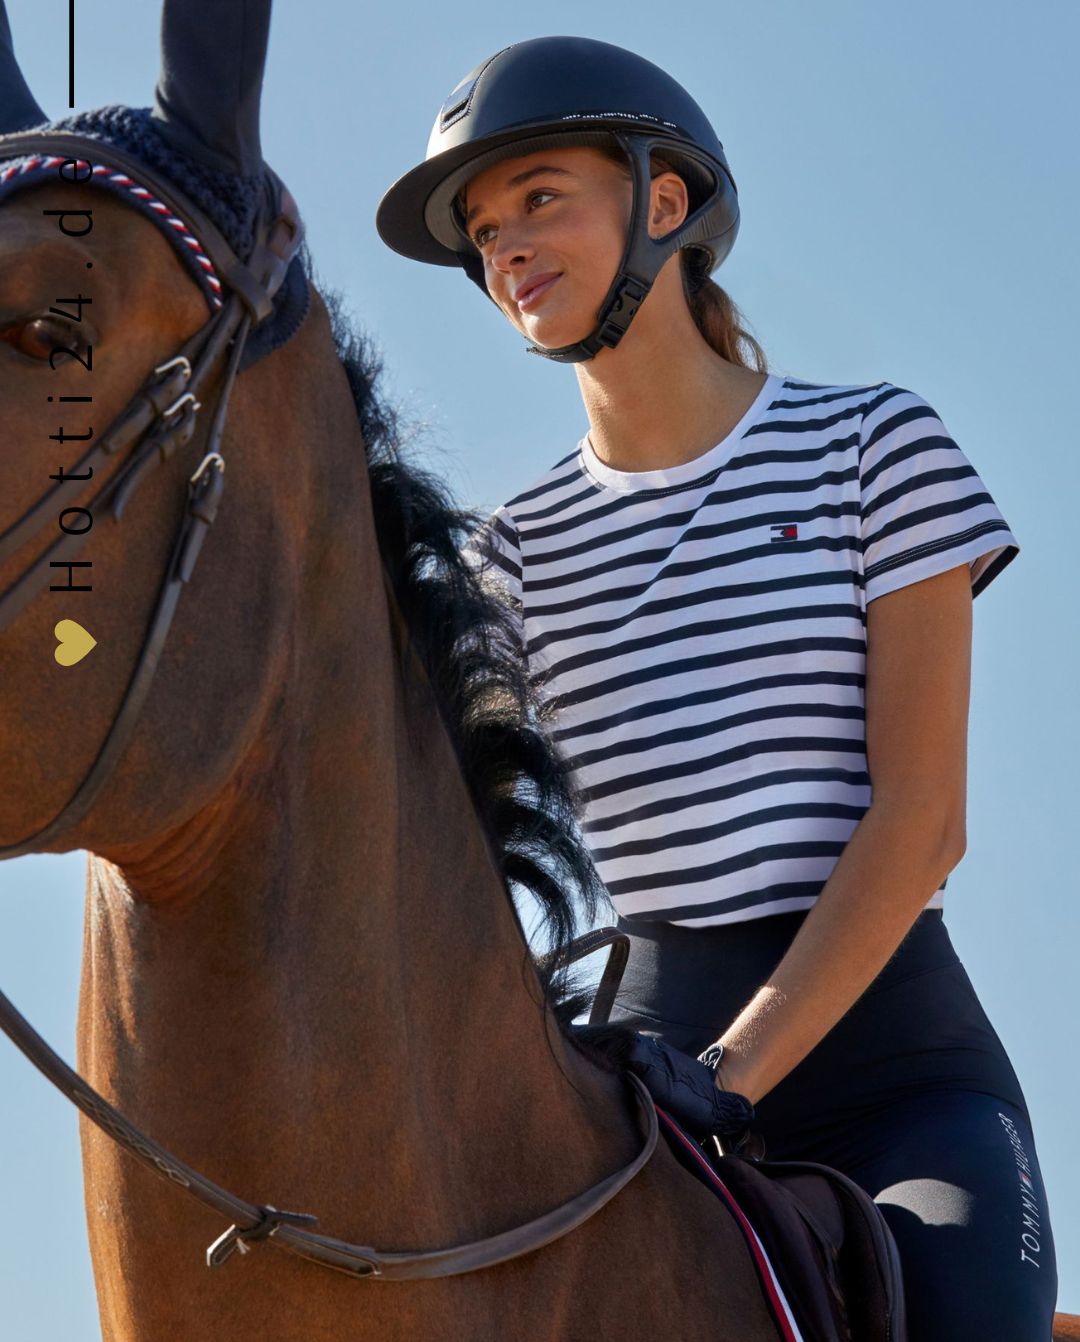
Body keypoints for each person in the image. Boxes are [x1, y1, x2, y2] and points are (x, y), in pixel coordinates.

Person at [377, 36, 1058, 1338]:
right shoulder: (505, 560)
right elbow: (435, 847)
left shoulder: (877, 446)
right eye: (480, 228)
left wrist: (731, 1075)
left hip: (899, 1077)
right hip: (642, 1085)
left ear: (664, 202)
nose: (504, 245)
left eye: (540, 197)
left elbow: (924, 821)